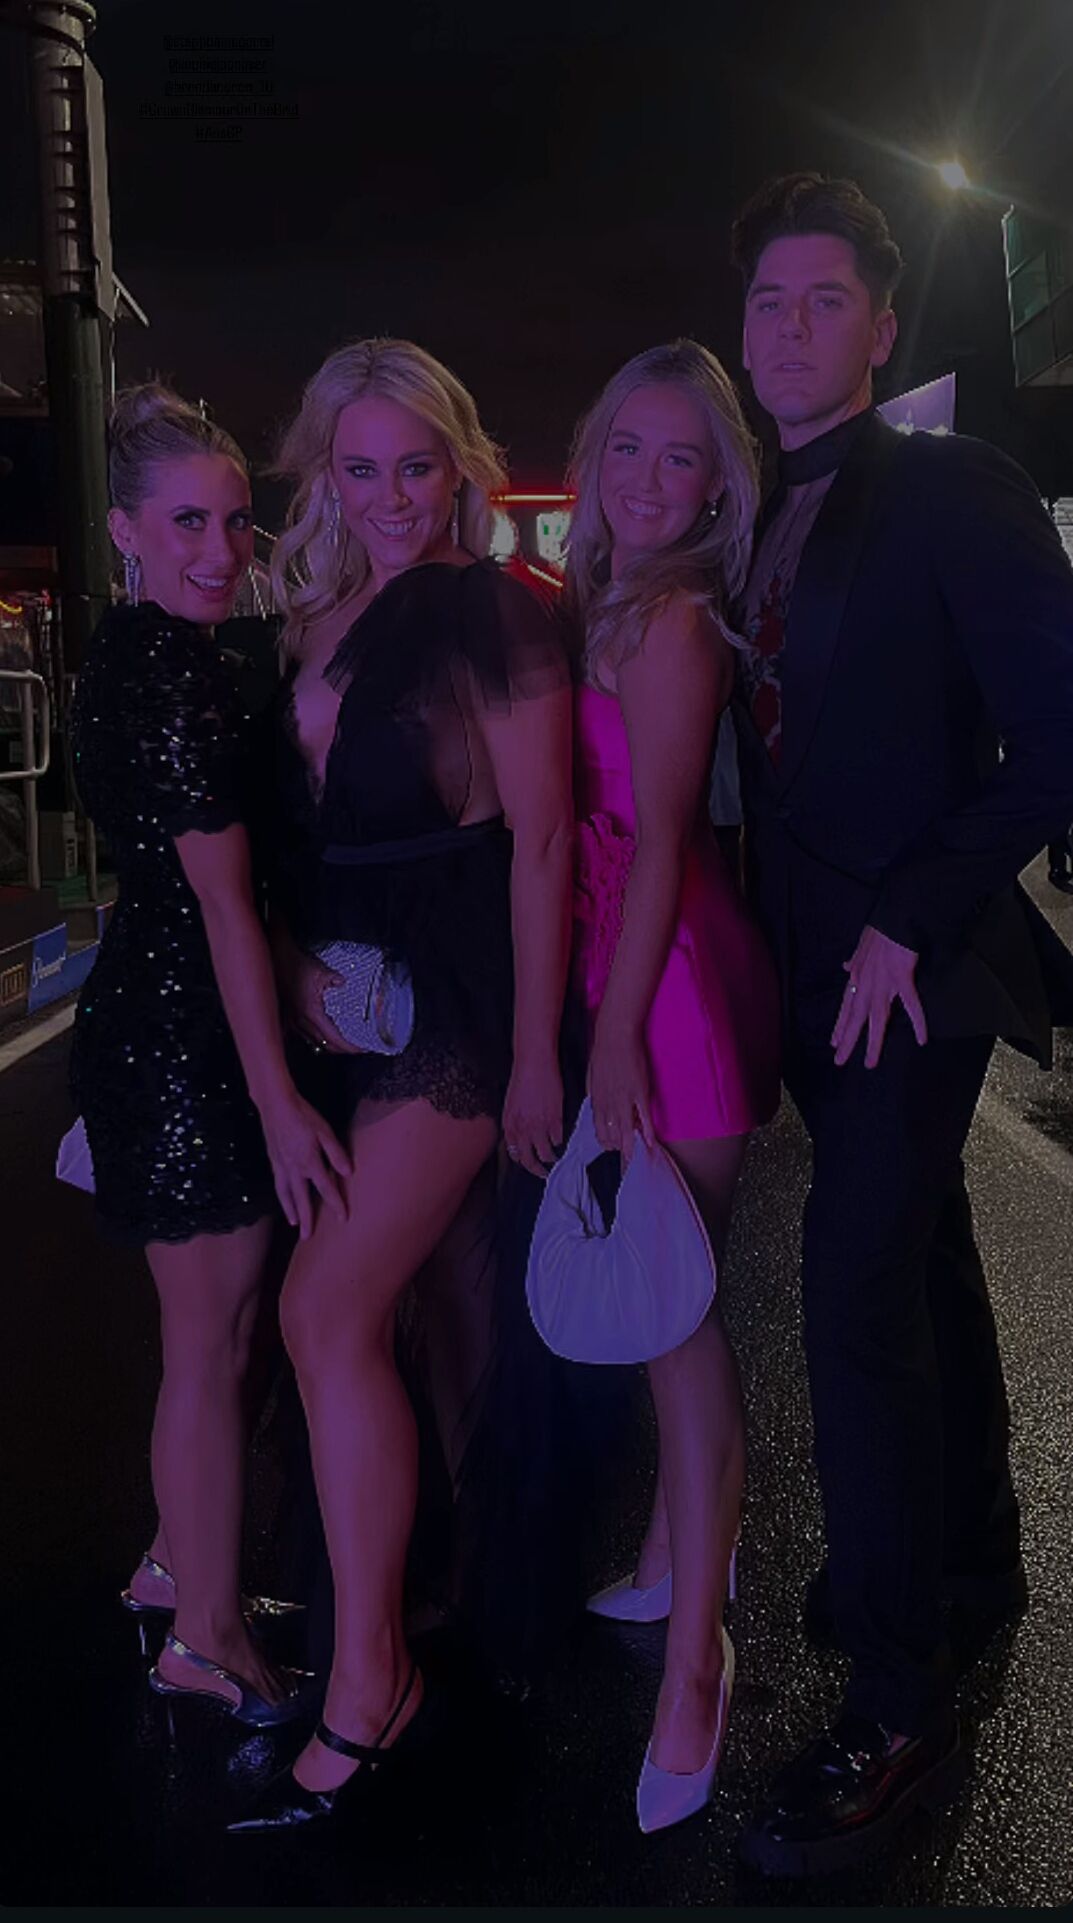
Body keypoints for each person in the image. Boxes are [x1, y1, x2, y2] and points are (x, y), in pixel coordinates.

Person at [726, 173, 1073, 1877]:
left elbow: (1056, 737)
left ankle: (893, 1699)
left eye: (822, 300)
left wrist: (905, 914)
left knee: (851, 1302)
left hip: (907, 969)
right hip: (801, 973)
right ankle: (966, 1559)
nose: (789, 326)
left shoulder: (949, 486)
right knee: (918, 1256)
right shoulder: (746, 508)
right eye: (765, 300)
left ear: (877, 324)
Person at [228, 338, 573, 1831]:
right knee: (390, 1321)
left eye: (414, 466)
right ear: (322, 469)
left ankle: (373, 1687)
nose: (387, 496)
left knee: (326, 1312)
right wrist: (289, 965)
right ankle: (405, 1625)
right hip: (338, 996)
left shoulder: (489, 607)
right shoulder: (312, 613)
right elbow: (285, 836)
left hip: (458, 997)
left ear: (458, 466)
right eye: (358, 466)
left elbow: (543, 844)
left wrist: (542, 1055)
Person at [69, 385, 349, 1724]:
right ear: (125, 530)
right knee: (213, 1337)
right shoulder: (171, 671)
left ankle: (182, 1566)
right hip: (187, 1040)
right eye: (186, 522)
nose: (220, 549)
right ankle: (206, 1635)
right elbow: (227, 909)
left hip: (167, 1019)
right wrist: (280, 1098)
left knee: (219, 1338)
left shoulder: (138, 652)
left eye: (236, 521)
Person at [564, 341, 781, 1834]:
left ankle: (697, 1661)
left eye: (679, 456)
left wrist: (613, 1034)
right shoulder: (613, 600)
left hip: (672, 986)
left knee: (675, 1318)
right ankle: (669, 1558)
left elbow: (654, 847)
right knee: (661, 1301)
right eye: (627, 449)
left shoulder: (674, 619)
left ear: (716, 487)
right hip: (637, 966)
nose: (647, 479)